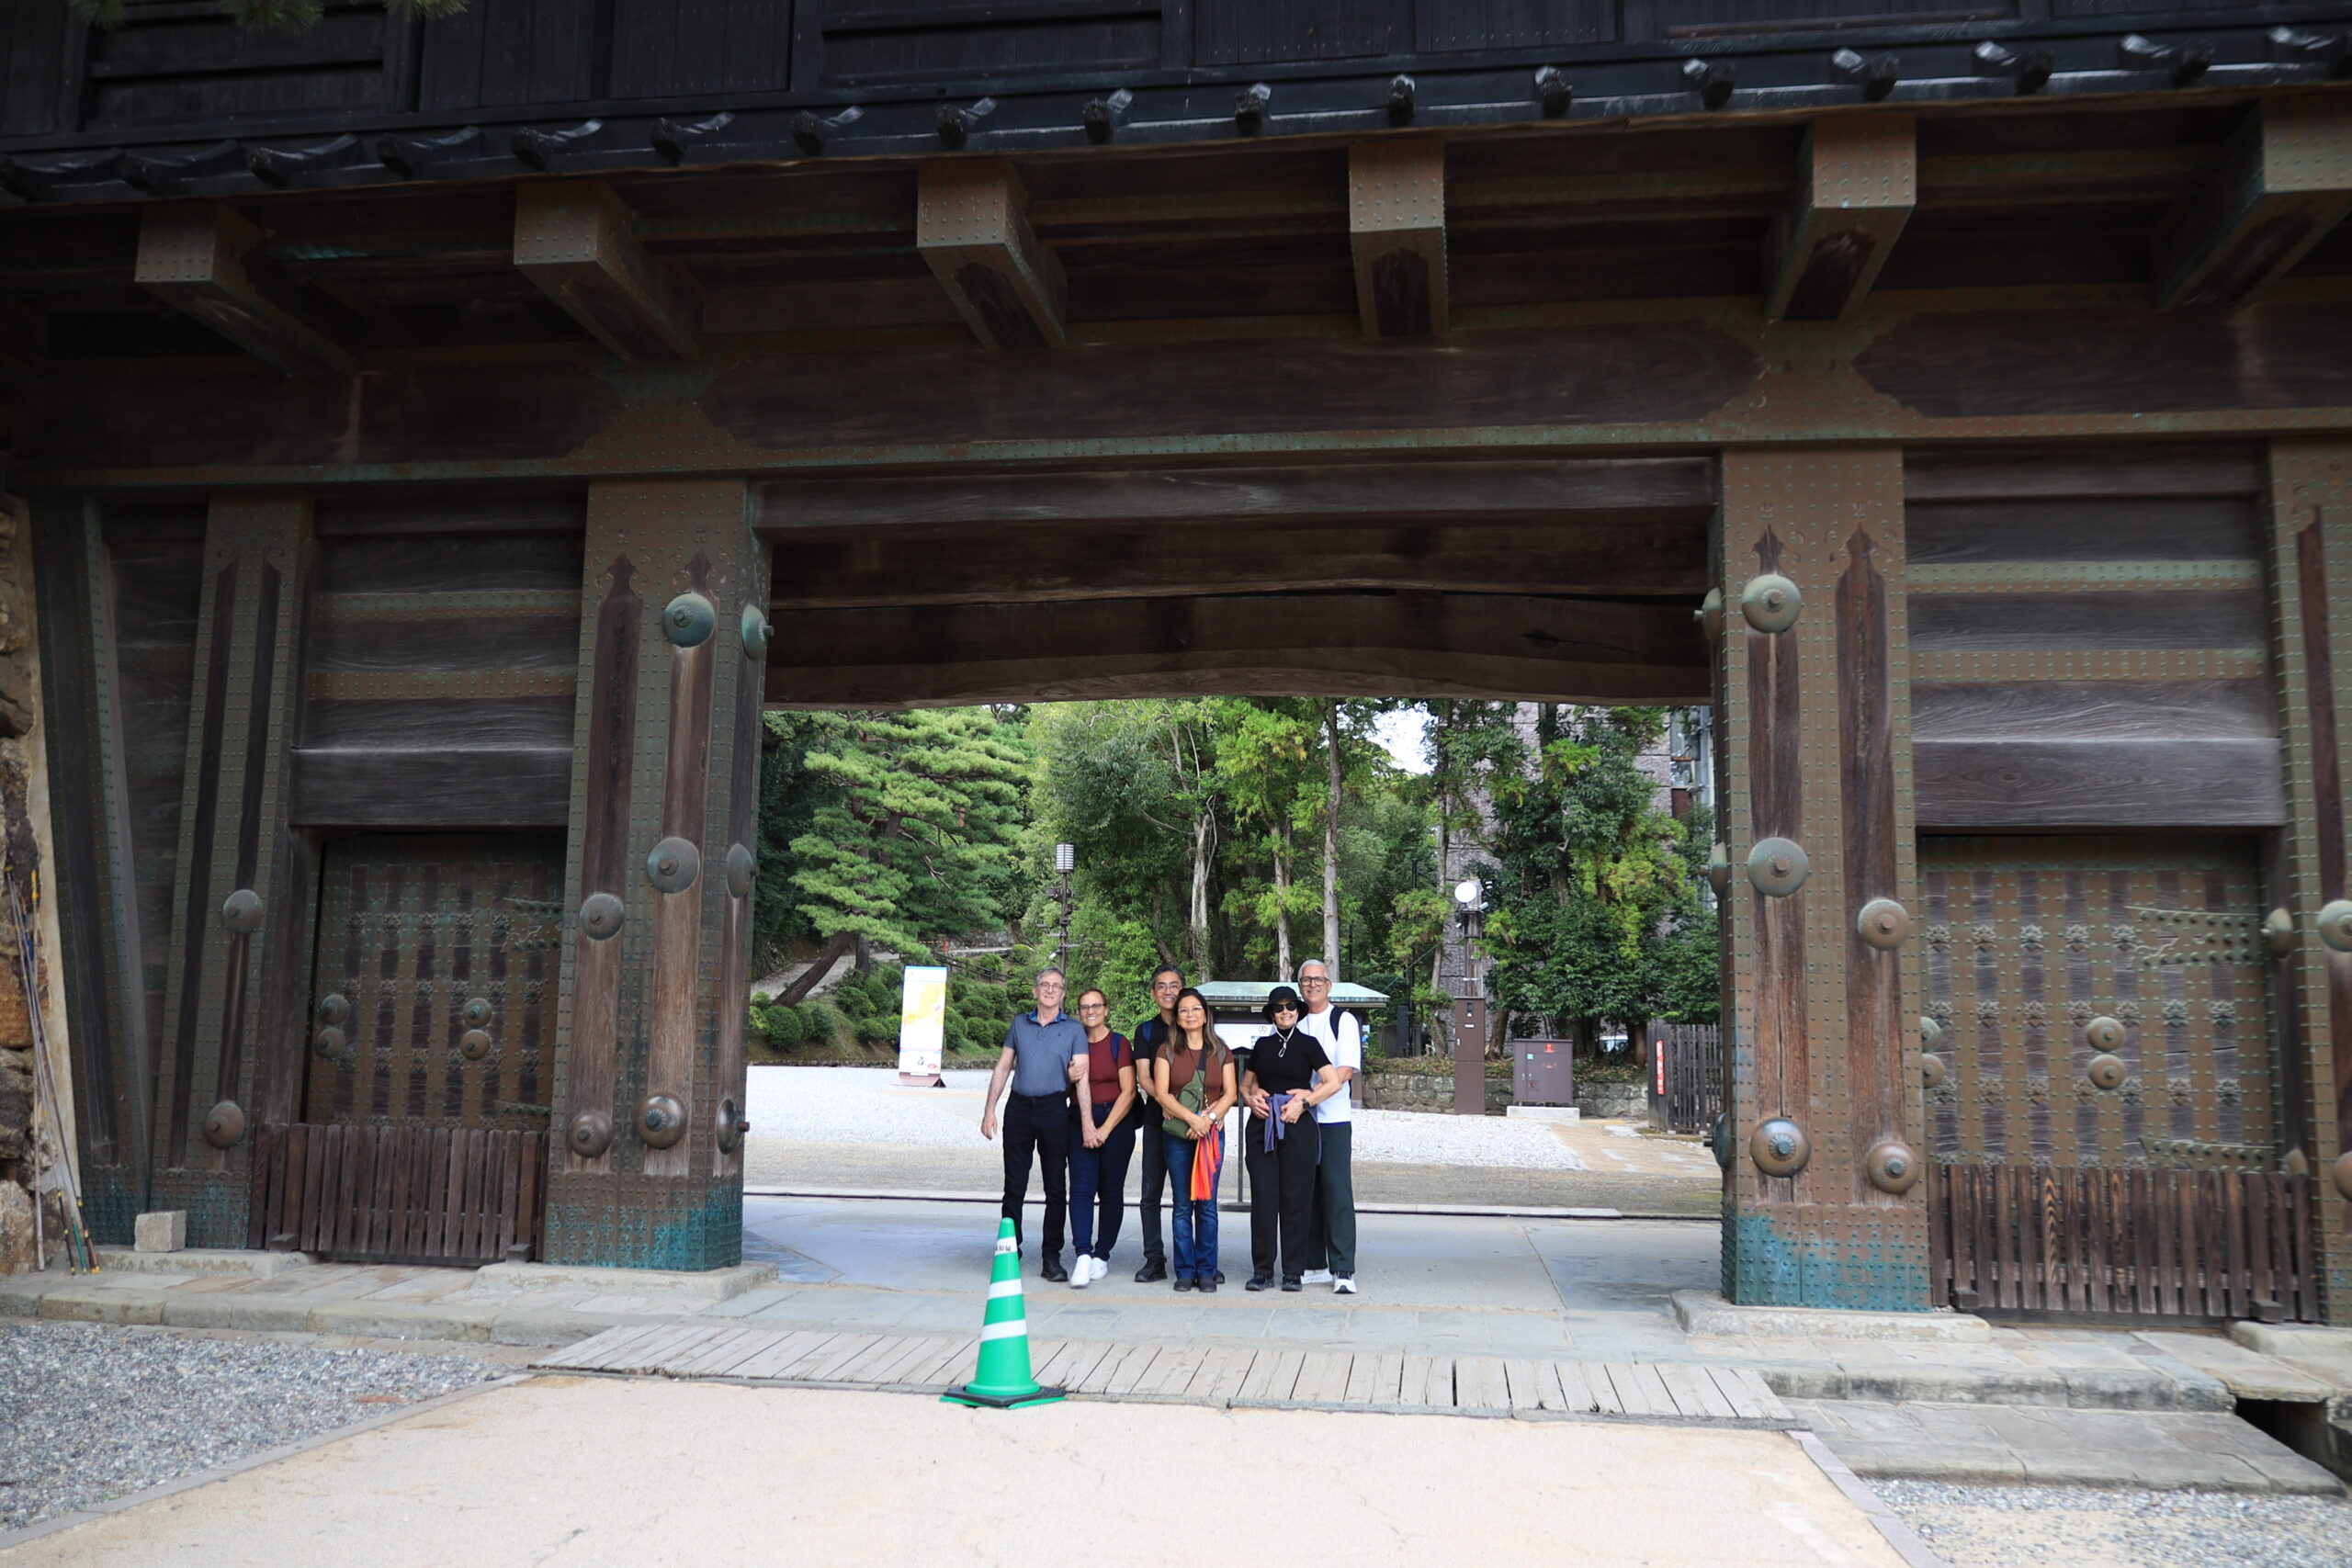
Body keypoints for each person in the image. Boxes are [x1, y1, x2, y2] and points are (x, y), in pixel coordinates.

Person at [979, 967, 1085, 1281]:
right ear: (1035, 991)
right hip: (1019, 1109)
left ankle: (1051, 1257)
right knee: (1014, 1184)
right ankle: (1010, 1248)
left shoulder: (1074, 1030)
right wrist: (989, 1110)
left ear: (1063, 994)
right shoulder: (1019, 1024)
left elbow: (1082, 1077)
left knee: (1055, 1187)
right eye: (1045, 985)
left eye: (1056, 986)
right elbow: (1003, 1066)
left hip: (1055, 1109)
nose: (1050, 990)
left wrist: (1089, 1122)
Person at [1239, 985, 1339, 1292]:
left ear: (1297, 1011)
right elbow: (1245, 1086)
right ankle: (1263, 1271)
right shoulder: (1262, 1046)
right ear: (1271, 1013)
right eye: (1279, 1008)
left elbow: (1332, 1081)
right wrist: (1252, 1097)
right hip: (1263, 1126)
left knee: (1296, 1200)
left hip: (1297, 1126)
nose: (1285, 1012)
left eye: (1290, 1007)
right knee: (1264, 1199)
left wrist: (1306, 1101)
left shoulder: (1309, 1044)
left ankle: (1293, 1272)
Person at [1154, 987, 1235, 1292]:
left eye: (1195, 1009)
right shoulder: (1166, 1050)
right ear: (1177, 1017)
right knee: (1182, 1205)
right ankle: (1185, 1270)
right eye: (1184, 1010)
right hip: (1178, 1134)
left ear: (1205, 1014)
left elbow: (1230, 1093)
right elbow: (1161, 1093)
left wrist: (1209, 1120)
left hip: (1211, 1136)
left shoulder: (1221, 1050)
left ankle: (1207, 1270)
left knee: (1208, 1204)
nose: (1190, 1014)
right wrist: (1193, 1119)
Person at [1295, 960, 1362, 1293]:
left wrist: (1308, 1096)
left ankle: (1343, 1268)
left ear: (1329, 984)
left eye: (1318, 979)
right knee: (1307, 1190)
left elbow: (1345, 1071)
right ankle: (1313, 1262)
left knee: (1336, 1190)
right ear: (1300, 985)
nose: (1312, 985)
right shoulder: (1297, 1021)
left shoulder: (1343, 1020)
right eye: (1306, 980)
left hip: (1333, 1119)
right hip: (1302, 1121)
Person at [1064, 987, 1135, 1288]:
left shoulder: (1119, 1043)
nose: (1090, 1011)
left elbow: (1129, 1091)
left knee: (1110, 1189)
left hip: (1115, 1122)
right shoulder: (1072, 1043)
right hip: (1080, 1119)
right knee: (1080, 1188)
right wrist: (1087, 1125)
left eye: (1096, 1006)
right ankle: (1082, 1253)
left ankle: (1101, 1255)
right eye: (1084, 1007)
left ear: (1106, 1009)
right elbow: (1061, 1086)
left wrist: (1103, 1130)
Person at [1125, 964, 1182, 1282]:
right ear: (1153, 993)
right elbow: (1143, 1076)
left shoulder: (1195, 1024)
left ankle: (1194, 1259)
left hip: (1191, 1122)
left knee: (1190, 1196)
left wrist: (1184, 1110)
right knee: (1151, 1193)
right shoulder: (1146, 1031)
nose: (1168, 992)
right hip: (1156, 1121)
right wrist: (1165, 1102)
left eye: (1174, 985)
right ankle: (1154, 1259)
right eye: (1161, 986)